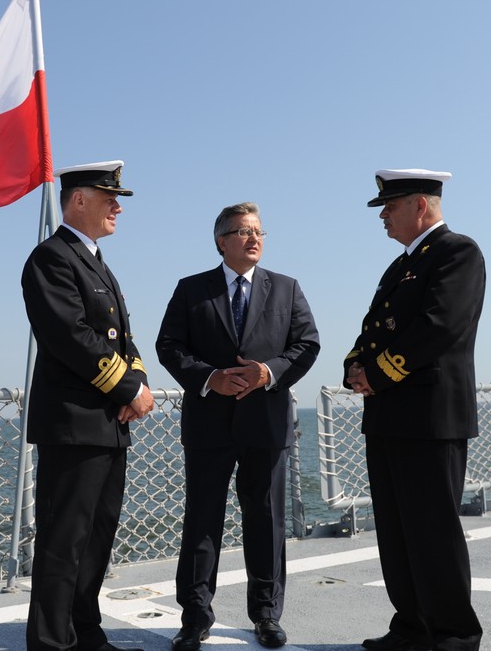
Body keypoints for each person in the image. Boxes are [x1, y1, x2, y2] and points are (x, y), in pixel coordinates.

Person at [156, 202, 320, 651]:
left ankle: (266, 614)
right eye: (243, 232)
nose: (254, 239)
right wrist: (211, 378)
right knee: (202, 521)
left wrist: (268, 372)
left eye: (259, 232)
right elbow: (168, 346)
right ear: (221, 241)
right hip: (209, 423)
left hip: (265, 424)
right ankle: (194, 617)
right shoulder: (192, 290)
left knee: (266, 521)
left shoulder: (286, 288)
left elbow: (307, 344)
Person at [343, 169, 486, 651]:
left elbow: (439, 326)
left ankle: (455, 634)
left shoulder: (456, 252)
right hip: (388, 414)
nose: (382, 215)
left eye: (390, 206)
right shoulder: (399, 266)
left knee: (433, 530)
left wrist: (377, 373)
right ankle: (412, 627)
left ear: (419, 206)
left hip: (429, 415)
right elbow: (372, 329)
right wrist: (354, 367)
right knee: (398, 530)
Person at [21, 160, 155, 651]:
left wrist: (137, 382)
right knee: (63, 542)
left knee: (97, 539)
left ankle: (85, 632)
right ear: (79, 200)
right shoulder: (51, 259)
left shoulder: (97, 262)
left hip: (108, 424)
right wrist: (127, 391)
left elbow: (123, 339)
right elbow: (72, 338)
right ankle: (52, 642)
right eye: (109, 197)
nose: (118, 206)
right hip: (73, 424)